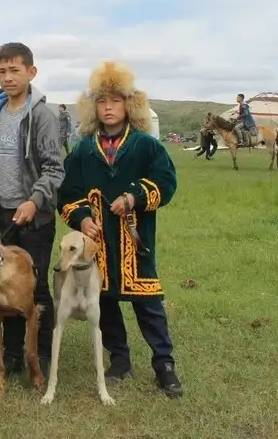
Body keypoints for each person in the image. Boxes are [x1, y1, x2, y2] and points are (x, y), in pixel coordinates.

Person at [57, 60, 182, 398]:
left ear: (129, 104)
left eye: (115, 100)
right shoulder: (83, 150)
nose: (108, 107)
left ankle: (164, 366)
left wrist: (134, 195)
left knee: (149, 303)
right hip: (99, 245)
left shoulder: (146, 145)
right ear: (93, 107)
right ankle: (120, 360)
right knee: (106, 300)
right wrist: (83, 218)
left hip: (135, 243)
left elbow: (166, 183)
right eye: (101, 101)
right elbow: (67, 195)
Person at [0, 42, 65, 381]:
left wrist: (34, 200)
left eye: (14, 70)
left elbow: (54, 168)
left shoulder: (42, 116)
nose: (7, 77)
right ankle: (12, 356)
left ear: (31, 72)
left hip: (35, 216)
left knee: (36, 287)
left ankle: (41, 354)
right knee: (4, 284)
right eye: (1, 71)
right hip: (3, 214)